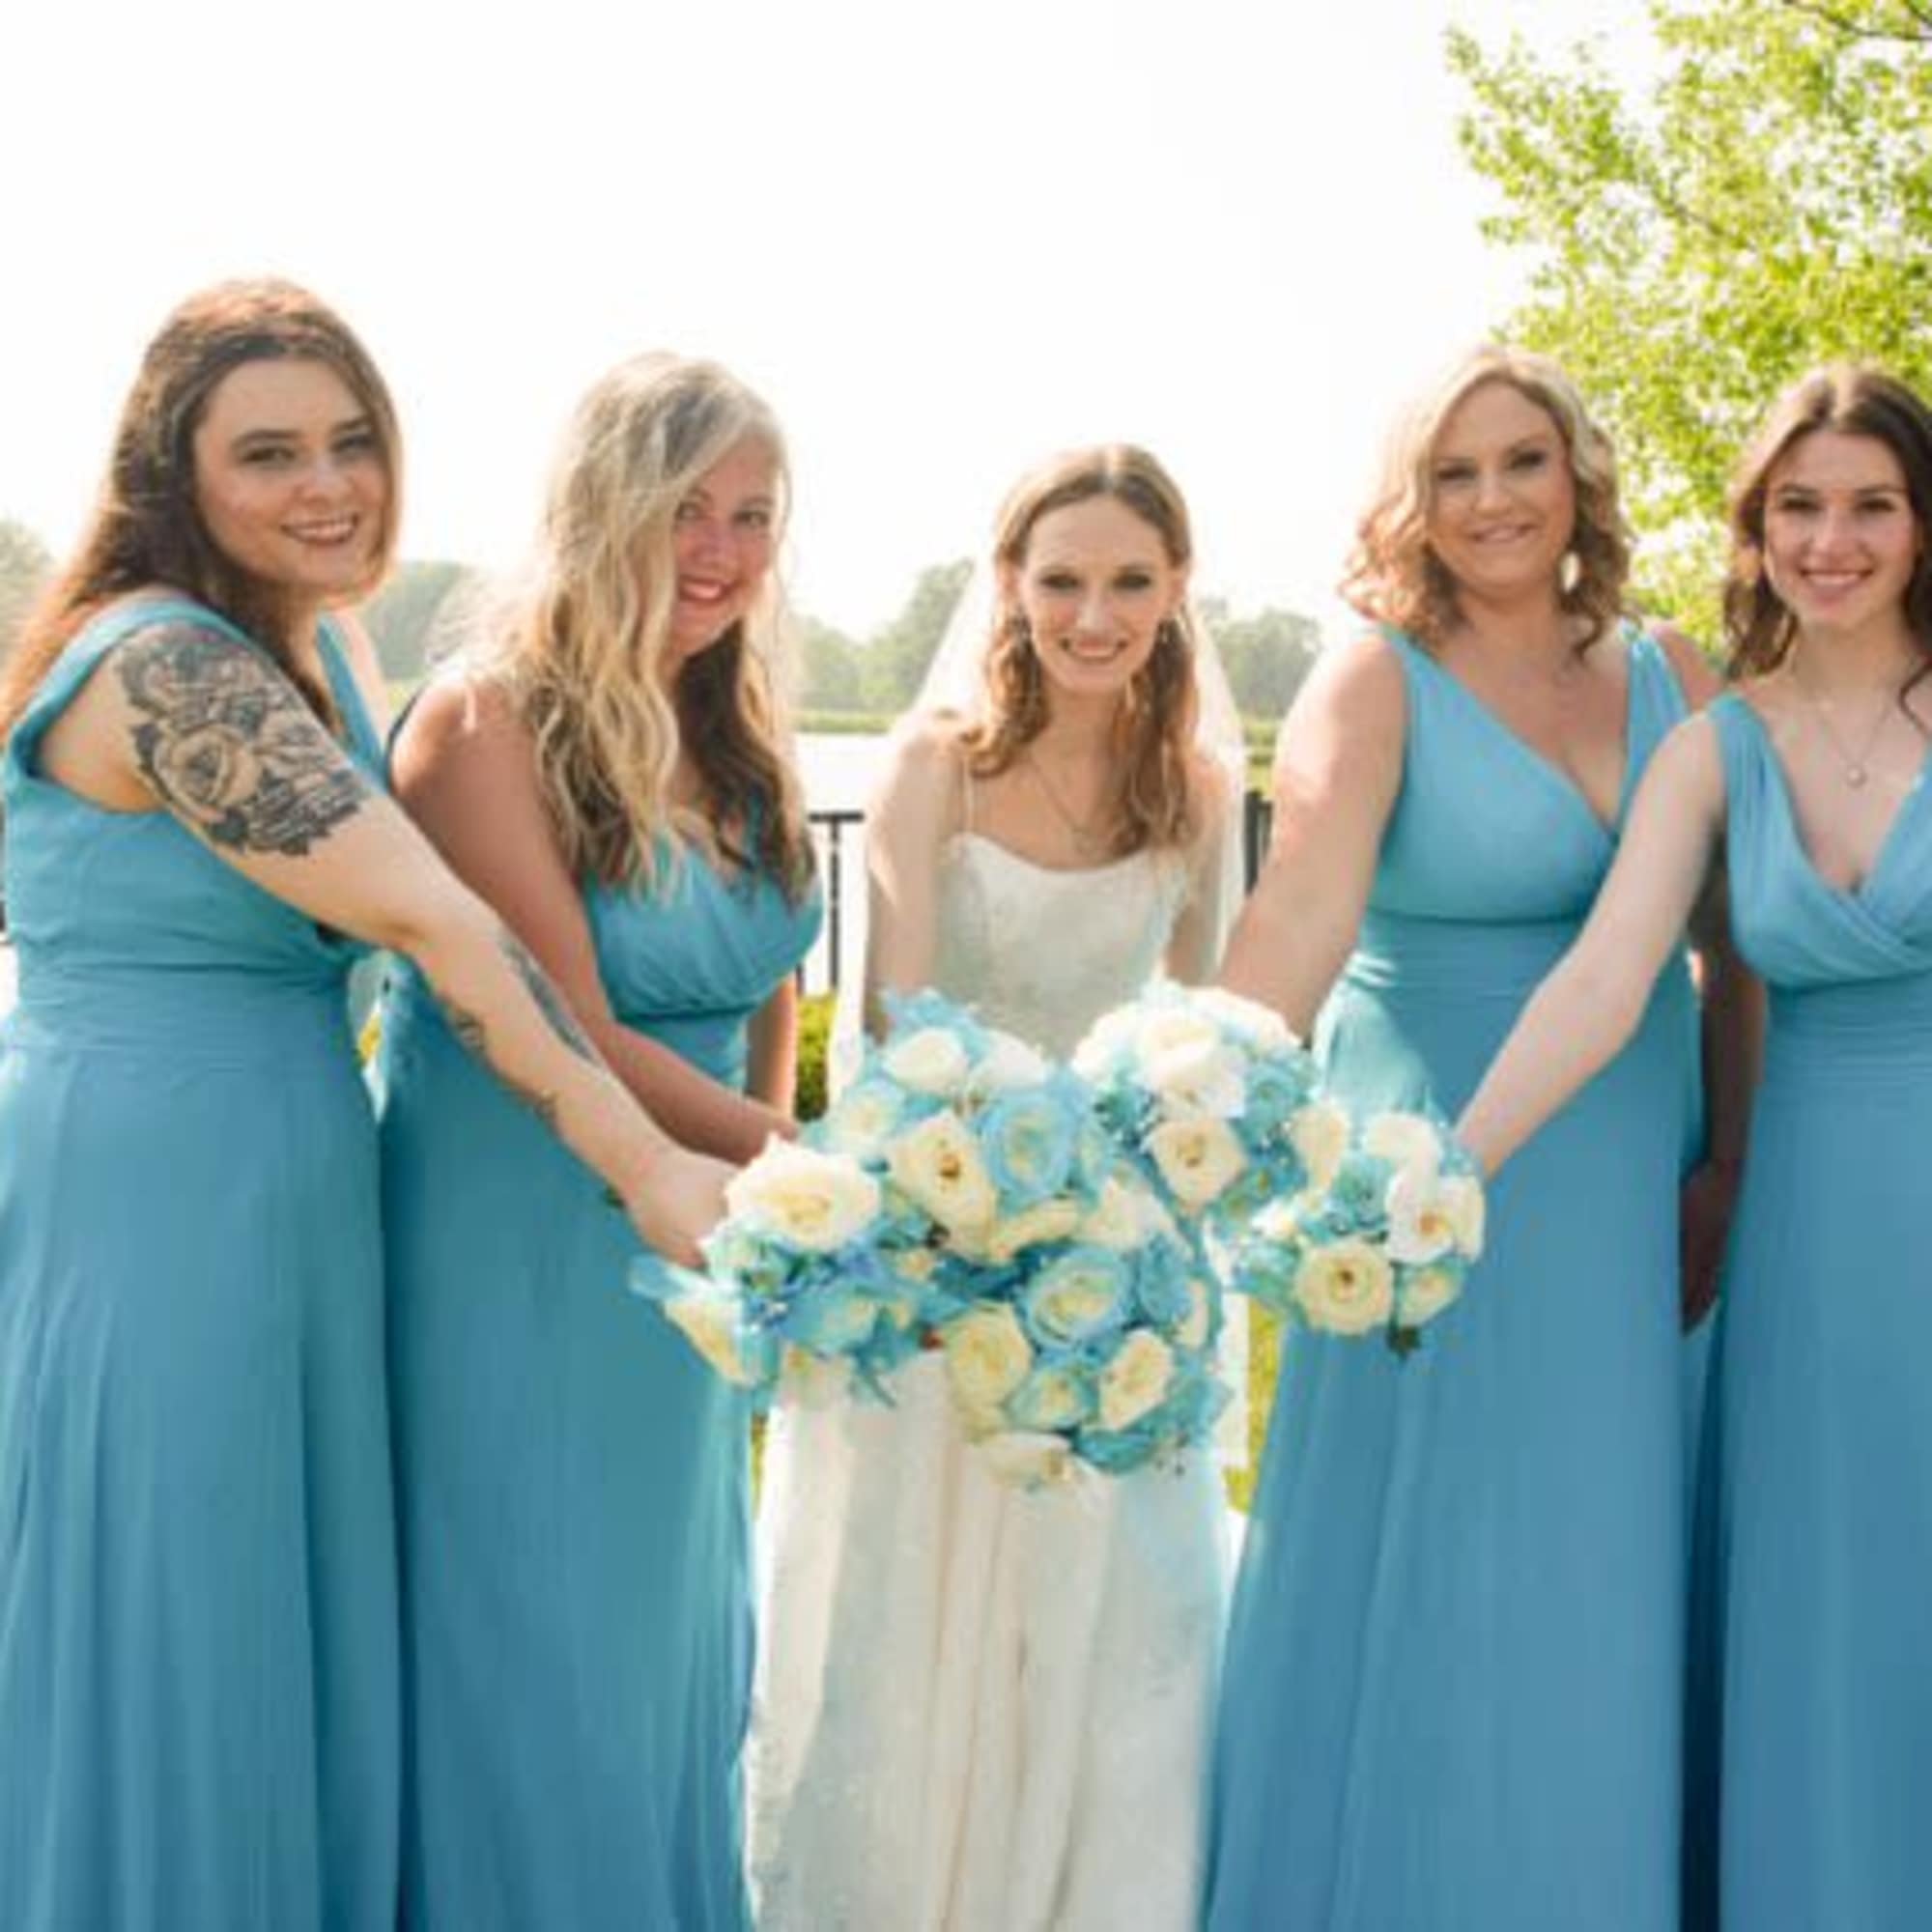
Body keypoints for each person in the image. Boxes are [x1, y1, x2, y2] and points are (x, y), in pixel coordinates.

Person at [0, 281, 727, 1932]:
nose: (328, 484)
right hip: (156, 1198)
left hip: (299, 1173)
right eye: (268, 453)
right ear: (174, 473)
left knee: (280, 1618)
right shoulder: (167, 666)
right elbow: (439, 927)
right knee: (181, 1622)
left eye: (353, 441)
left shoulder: (319, 647)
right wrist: (645, 1165)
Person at [1206, 344, 1756, 1930]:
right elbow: (1296, 921)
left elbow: (1733, 951)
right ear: (1413, 502)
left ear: (1578, 475)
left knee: (1602, 1556)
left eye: (1523, 461)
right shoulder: (1374, 678)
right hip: (1426, 1174)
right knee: (1432, 1560)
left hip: (1635, 1178)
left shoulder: (1674, 672)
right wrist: (1184, 1106)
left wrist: (1729, 1164)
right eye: (1454, 473)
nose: (1493, 499)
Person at [1458, 362, 1932, 1932]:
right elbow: (1606, 982)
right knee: (1823, 1601)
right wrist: (1445, 1172)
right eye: (1799, 506)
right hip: (1806, 1236)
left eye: (1871, 505)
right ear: (1755, 528)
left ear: (1923, 524)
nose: (1831, 541)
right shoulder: (1719, 747)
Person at [749, 444, 1244, 1932]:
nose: (1095, 617)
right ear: (1010, 585)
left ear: (1177, 589)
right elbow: (893, 1027)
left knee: (1121, 1611)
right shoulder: (934, 767)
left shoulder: (1198, 788)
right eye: (1063, 580)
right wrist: (980, 1216)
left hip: (1119, 1264)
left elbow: (1200, 1034)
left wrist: (1133, 1216)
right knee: (919, 1612)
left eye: (1130, 583)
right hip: (944, 1240)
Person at [376, 350, 821, 1931]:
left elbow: (765, 979)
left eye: (753, 516)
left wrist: (780, 1186)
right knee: (542, 1640)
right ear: (599, 507)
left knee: (667, 1648)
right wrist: (817, 1168)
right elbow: (559, 1022)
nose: (721, 550)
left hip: (695, 1252)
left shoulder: (735, 724)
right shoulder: (480, 724)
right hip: (523, 1234)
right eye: (686, 508)